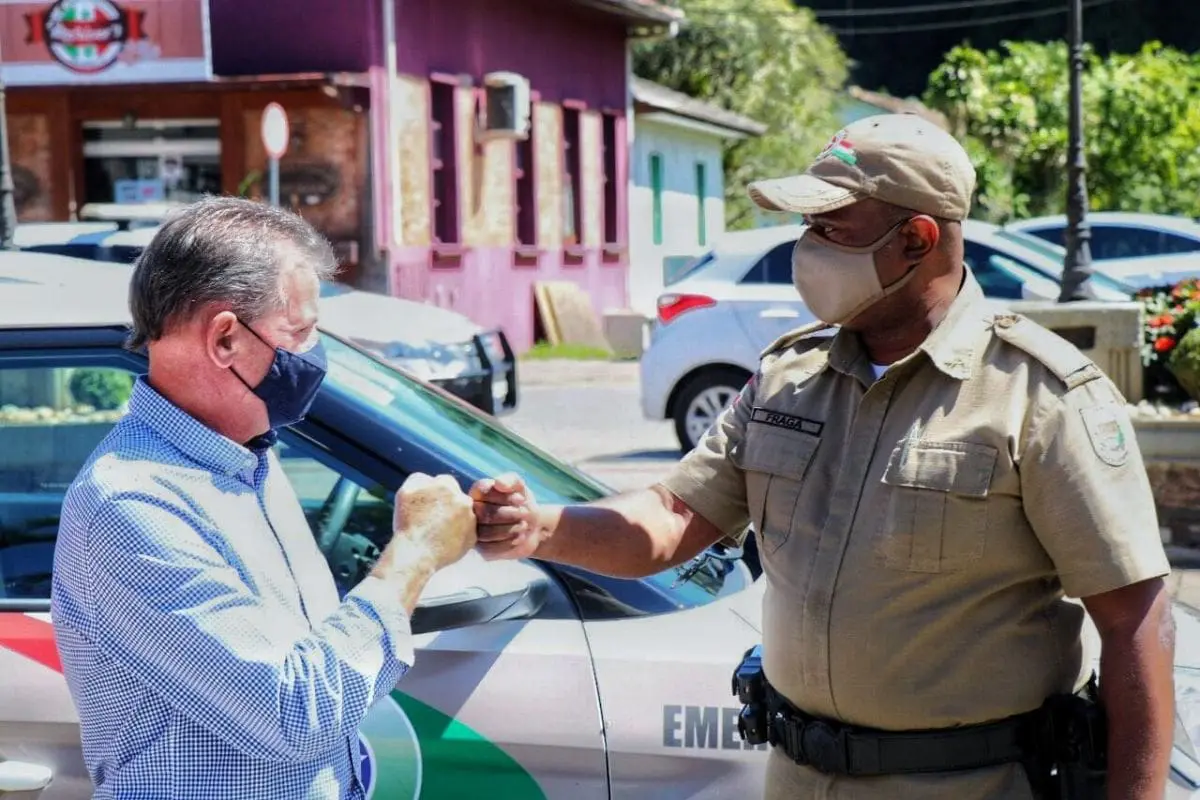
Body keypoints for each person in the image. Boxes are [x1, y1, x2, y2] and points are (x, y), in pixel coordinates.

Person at [472, 114, 1176, 799]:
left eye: (832, 229)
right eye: (808, 227)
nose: (807, 249)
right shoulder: (789, 378)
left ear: (917, 239)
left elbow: (1136, 620)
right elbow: (670, 516)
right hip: (798, 775)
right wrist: (542, 528)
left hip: (968, 781)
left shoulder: (1037, 396)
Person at [51, 197, 477, 799]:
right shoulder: (132, 506)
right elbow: (294, 713)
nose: (313, 353)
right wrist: (415, 554)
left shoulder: (245, 453)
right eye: (299, 332)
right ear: (226, 339)